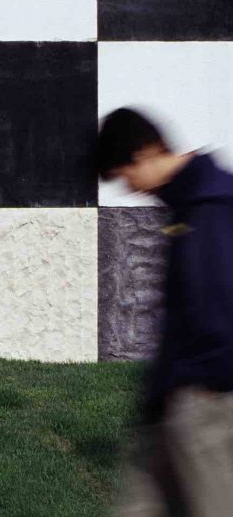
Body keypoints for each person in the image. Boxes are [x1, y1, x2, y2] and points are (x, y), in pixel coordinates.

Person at [95, 106, 233, 516]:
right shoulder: (188, 208)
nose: (131, 188)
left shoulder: (213, 209)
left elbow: (218, 312)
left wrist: (203, 386)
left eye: (126, 175)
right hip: (172, 405)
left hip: (207, 405)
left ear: (147, 151)